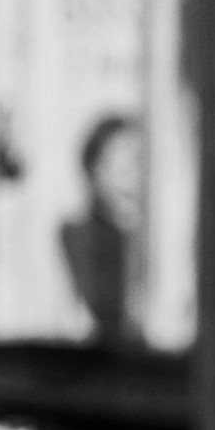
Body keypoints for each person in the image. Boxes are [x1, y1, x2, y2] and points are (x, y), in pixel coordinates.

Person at [61, 115, 142, 343]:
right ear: (94, 171)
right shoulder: (77, 233)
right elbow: (104, 304)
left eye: (137, 164)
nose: (130, 181)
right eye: (121, 169)